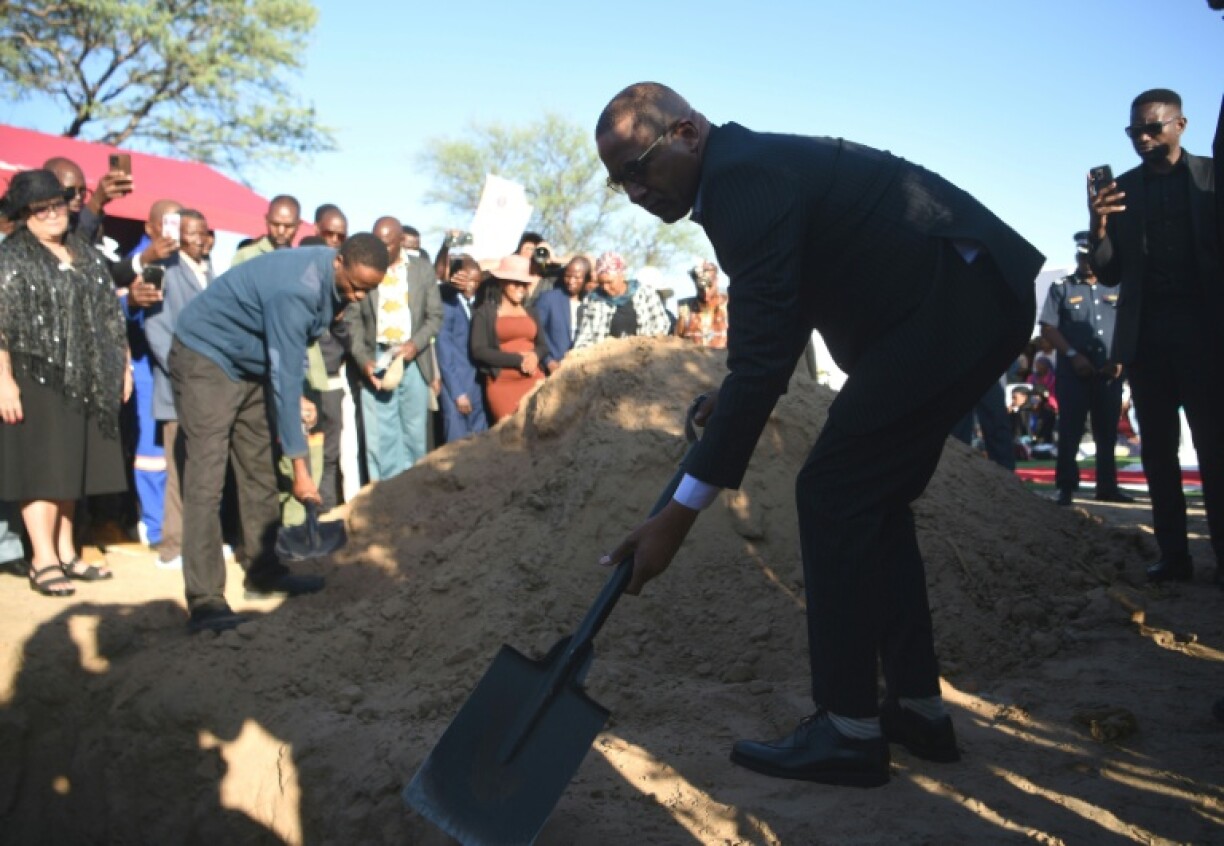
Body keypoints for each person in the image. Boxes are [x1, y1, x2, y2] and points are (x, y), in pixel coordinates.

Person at [594, 82, 1041, 788]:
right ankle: (917, 710)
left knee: (831, 493)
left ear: (684, 132)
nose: (635, 191)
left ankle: (846, 729)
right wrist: (734, 392)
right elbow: (781, 314)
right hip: (964, 302)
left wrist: (675, 519)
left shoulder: (738, 177)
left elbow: (767, 359)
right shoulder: (742, 174)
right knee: (871, 497)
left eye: (639, 166)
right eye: (620, 182)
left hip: (954, 304)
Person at [169, 234, 388, 633]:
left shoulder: (337, 280)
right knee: (207, 477)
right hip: (208, 357)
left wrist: (295, 396)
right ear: (339, 262)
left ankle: (263, 570)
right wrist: (302, 471)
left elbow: (292, 356)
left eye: (367, 291)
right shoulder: (297, 290)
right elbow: (284, 375)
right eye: (355, 287)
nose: (357, 297)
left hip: (251, 362)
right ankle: (204, 600)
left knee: (259, 470)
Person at [1088, 88, 1224, 584]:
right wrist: (1098, 223)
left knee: (1215, 449)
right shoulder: (1122, 189)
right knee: (1158, 452)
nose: (1142, 139)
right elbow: (1107, 275)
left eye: (1152, 128)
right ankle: (1174, 556)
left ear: (1180, 125)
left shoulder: (1213, 177)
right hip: (1148, 341)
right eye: (1134, 132)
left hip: (1207, 335)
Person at [0, 170, 131, 596]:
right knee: (42, 469)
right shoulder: (12, 256)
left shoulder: (83, 252)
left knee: (72, 466)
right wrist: (3, 380)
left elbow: (111, 315)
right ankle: (43, 559)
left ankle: (67, 552)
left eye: (57, 203)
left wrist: (122, 366)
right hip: (32, 374)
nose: (54, 212)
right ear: (24, 214)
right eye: (42, 208)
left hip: (86, 374)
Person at [343, 216, 443, 482]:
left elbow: (435, 317)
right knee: (381, 437)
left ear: (400, 242)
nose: (381, 250)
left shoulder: (422, 270)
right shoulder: (366, 268)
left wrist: (415, 344)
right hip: (377, 358)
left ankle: (413, 492)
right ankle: (381, 499)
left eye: (386, 244)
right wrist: (364, 361)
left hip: (413, 361)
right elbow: (351, 321)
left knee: (414, 435)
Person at [143, 209, 214, 569]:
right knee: (178, 468)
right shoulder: (163, 269)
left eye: (203, 232)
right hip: (177, 388)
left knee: (204, 470)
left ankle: (202, 544)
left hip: (209, 387)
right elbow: (155, 328)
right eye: (190, 233)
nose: (198, 239)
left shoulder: (210, 271)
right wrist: (182, 371)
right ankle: (172, 546)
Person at [1040, 232, 1129, 506]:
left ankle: (1107, 487)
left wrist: (1120, 359)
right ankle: (1066, 487)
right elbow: (1048, 326)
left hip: (1109, 372)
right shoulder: (1062, 287)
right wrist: (1072, 355)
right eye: (1081, 256)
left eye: (1090, 256)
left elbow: (1129, 321)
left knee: (1107, 431)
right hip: (1074, 373)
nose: (1086, 261)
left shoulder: (1116, 285)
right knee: (1070, 430)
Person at [470, 254, 548, 422]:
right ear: (502, 282)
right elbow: (479, 351)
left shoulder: (531, 312)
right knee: (511, 436)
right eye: (515, 283)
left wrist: (535, 356)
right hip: (502, 384)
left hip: (534, 380)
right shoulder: (485, 313)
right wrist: (517, 360)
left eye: (524, 284)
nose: (521, 288)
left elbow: (543, 345)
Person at [572, 251, 672, 348]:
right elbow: (584, 338)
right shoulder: (593, 300)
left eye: (609, 282)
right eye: (601, 283)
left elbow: (661, 327)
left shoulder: (646, 295)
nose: (605, 287)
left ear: (622, 276)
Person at [437, 255, 489, 441]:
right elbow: (444, 353)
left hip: (476, 385)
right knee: (456, 444)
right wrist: (458, 393)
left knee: (480, 443)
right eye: (468, 280)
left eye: (476, 281)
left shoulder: (476, 306)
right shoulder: (447, 305)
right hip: (455, 386)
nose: (472, 285)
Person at [42, 155, 132, 245]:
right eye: (70, 191)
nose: (78, 197)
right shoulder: (41, 222)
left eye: (82, 191)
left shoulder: (83, 217)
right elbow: (75, 246)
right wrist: (96, 202)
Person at [536, 256, 590, 372]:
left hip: (583, 371)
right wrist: (548, 361)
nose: (571, 281)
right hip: (552, 370)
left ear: (586, 279)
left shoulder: (591, 303)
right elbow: (536, 332)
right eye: (567, 276)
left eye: (577, 277)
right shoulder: (549, 299)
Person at [231, 195, 302, 265]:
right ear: (266, 220)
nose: (281, 231)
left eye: (288, 226)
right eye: (275, 224)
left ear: (298, 225)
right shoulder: (246, 257)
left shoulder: (301, 262)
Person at [675, 260, 729, 349]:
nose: (706, 291)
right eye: (701, 287)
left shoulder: (730, 306)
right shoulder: (685, 308)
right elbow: (676, 344)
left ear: (716, 281)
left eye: (709, 285)